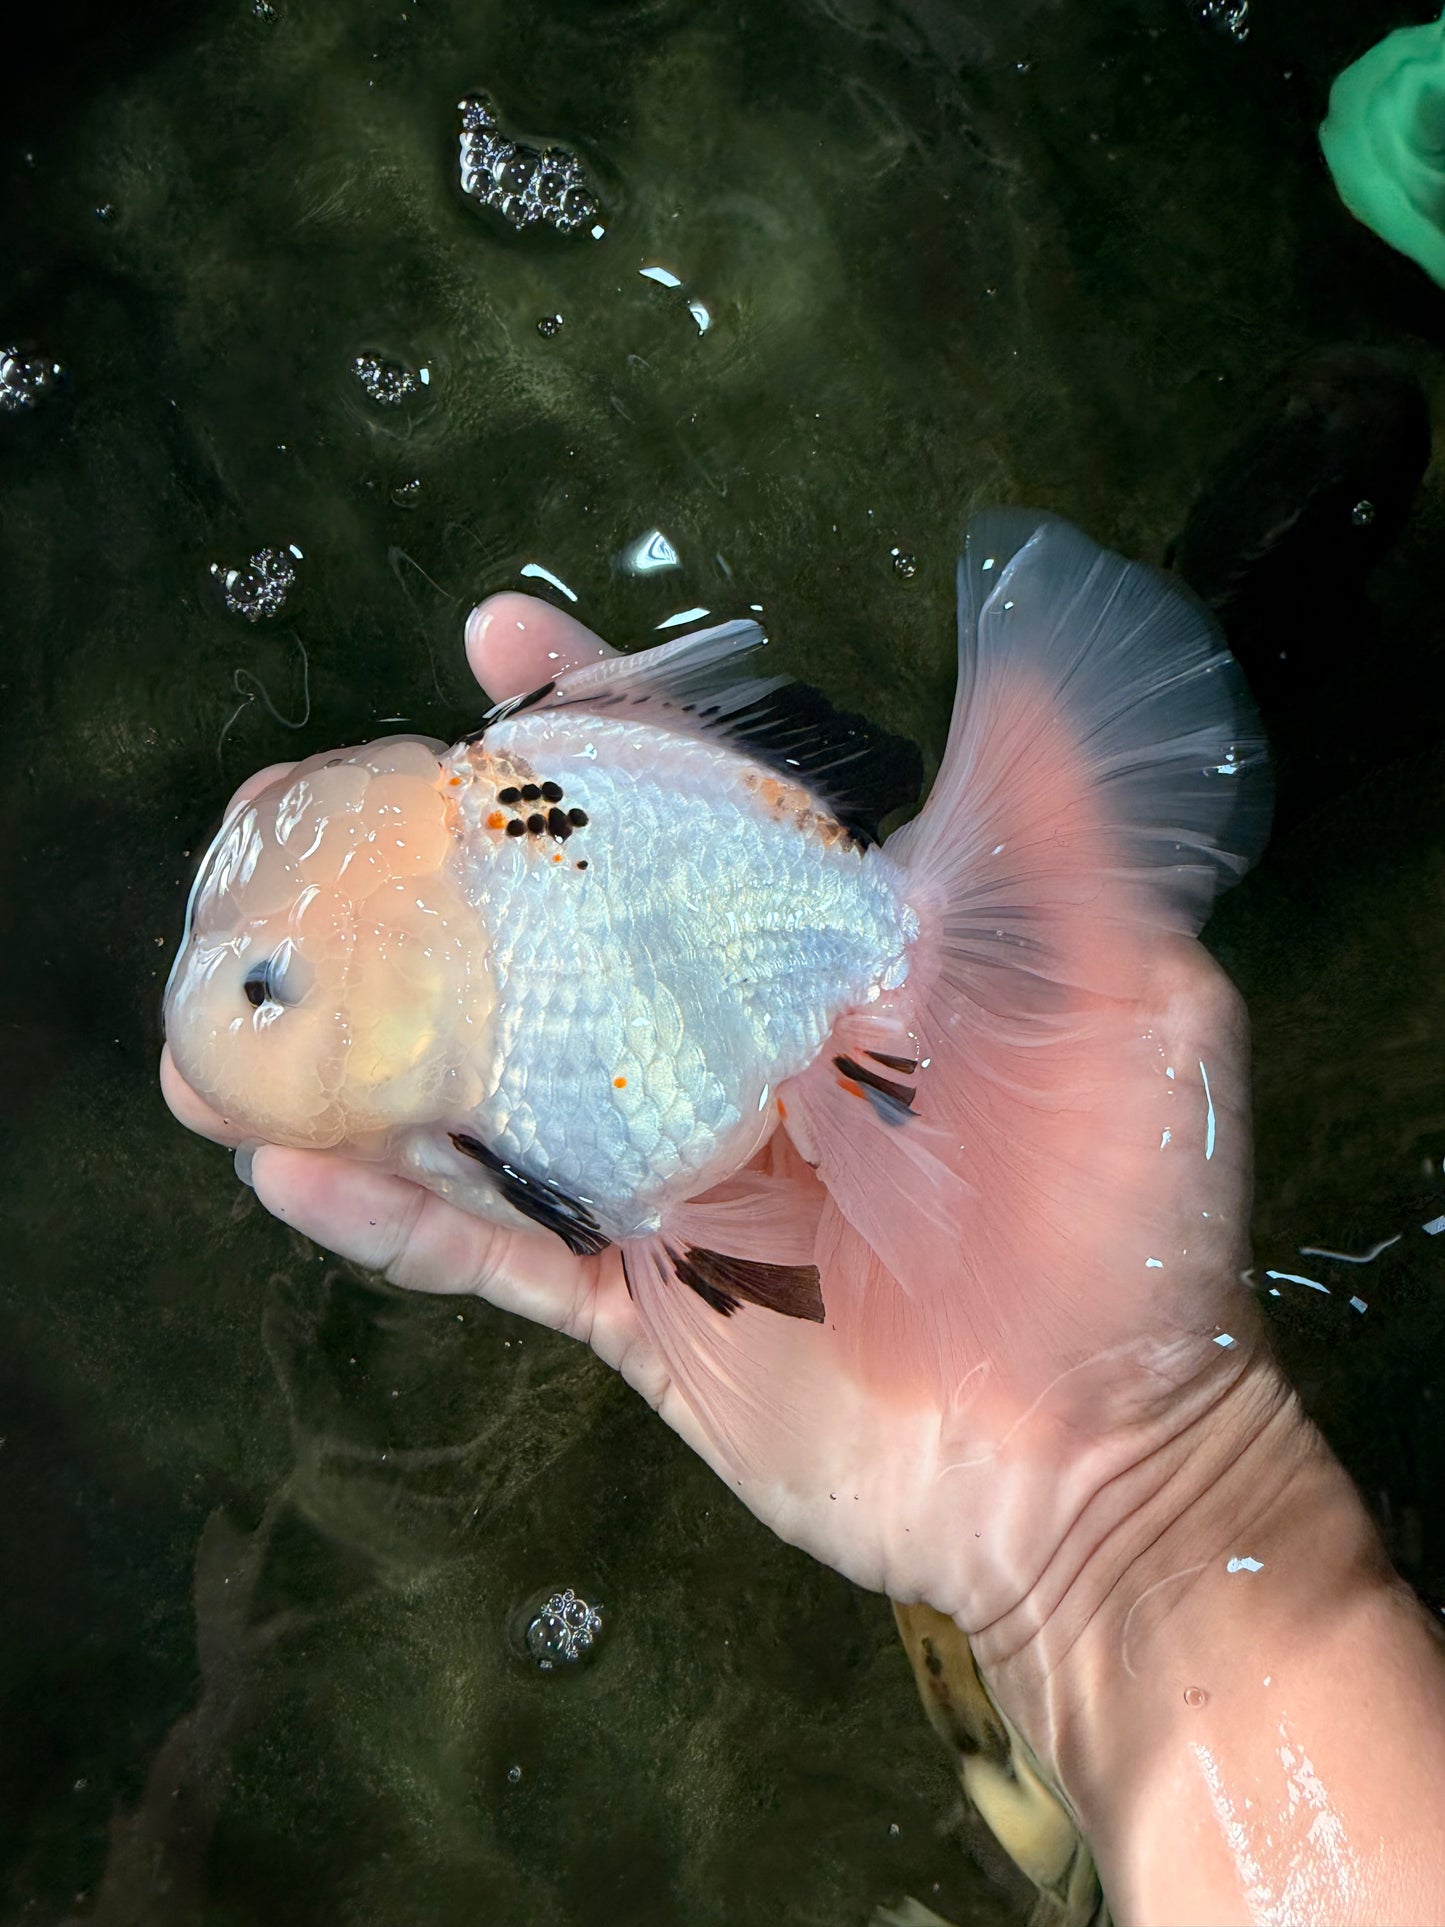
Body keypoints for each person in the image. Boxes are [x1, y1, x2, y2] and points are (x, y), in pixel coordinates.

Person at [163, 592, 1445, 1927]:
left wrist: (1118, 1492)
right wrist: (1129, 1516)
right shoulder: (490, 868)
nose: (246, 1008)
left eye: (270, 988)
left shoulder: (510, 862)